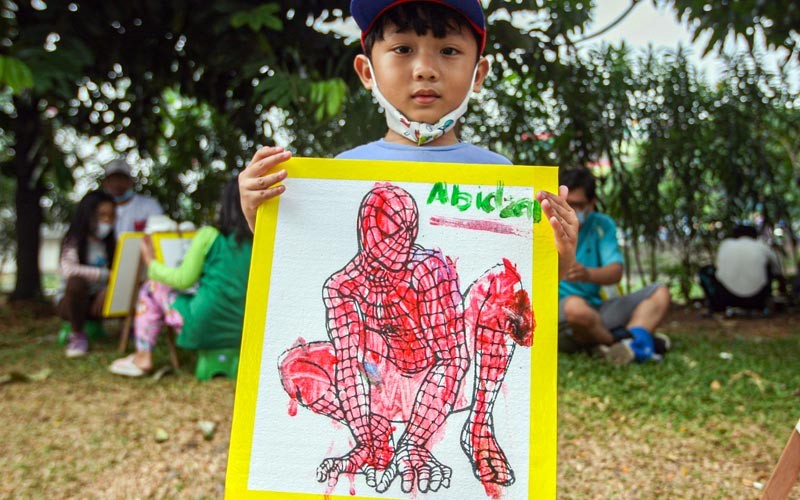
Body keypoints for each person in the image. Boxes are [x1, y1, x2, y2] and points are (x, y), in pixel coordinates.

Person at [238, 0, 578, 494]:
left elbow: (463, 352)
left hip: (455, 376)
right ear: (366, 70)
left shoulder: (504, 179)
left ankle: (478, 426)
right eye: (402, 49)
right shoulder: (337, 178)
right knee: (296, 363)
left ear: (478, 72)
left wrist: (558, 258)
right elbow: (325, 321)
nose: (425, 68)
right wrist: (264, 218)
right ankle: (376, 438)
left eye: (448, 50)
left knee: (506, 285)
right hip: (380, 384)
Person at [109, 179, 253, 377]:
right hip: (244, 330)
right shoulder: (261, 241)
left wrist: (150, 262)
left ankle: (143, 356)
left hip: (201, 325)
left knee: (151, 287)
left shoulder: (209, 236)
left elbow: (184, 279)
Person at [558, 166, 672, 365]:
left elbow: (615, 271)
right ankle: (622, 343)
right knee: (575, 307)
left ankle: (624, 345)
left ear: (591, 204)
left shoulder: (602, 225)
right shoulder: (546, 224)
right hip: (561, 312)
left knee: (659, 292)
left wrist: (588, 274)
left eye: (579, 205)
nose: (572, 211)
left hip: (597, 309)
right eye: (568, 204)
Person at [56, 190, 116, 358]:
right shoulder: (73, 241)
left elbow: (119, 273)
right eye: (101, 215)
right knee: (76, 282)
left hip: (99, 301)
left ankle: (136, 330)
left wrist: (109, 289)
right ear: (88, 215)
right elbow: (69, 270)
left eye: (111, 215)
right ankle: (77, 336)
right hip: (71, 302)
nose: (107, 220)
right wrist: (106, 275)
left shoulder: (110, 244)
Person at [698, 224, 784, 313]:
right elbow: (777, 271)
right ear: (755, 235)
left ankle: (716, 307)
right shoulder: (762, 246)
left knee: (705, 271)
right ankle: (765, 305)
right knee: (768, 266)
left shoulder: (726, 245)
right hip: (756, 299)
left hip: (726, 297)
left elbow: (718, 268)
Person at [102, 159, 163, 235]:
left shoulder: (149, 205)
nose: (116, 183)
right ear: (105, 182)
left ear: (131, 181)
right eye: (113, 179)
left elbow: (159, 233)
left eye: (121, 178)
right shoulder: (98, 208)